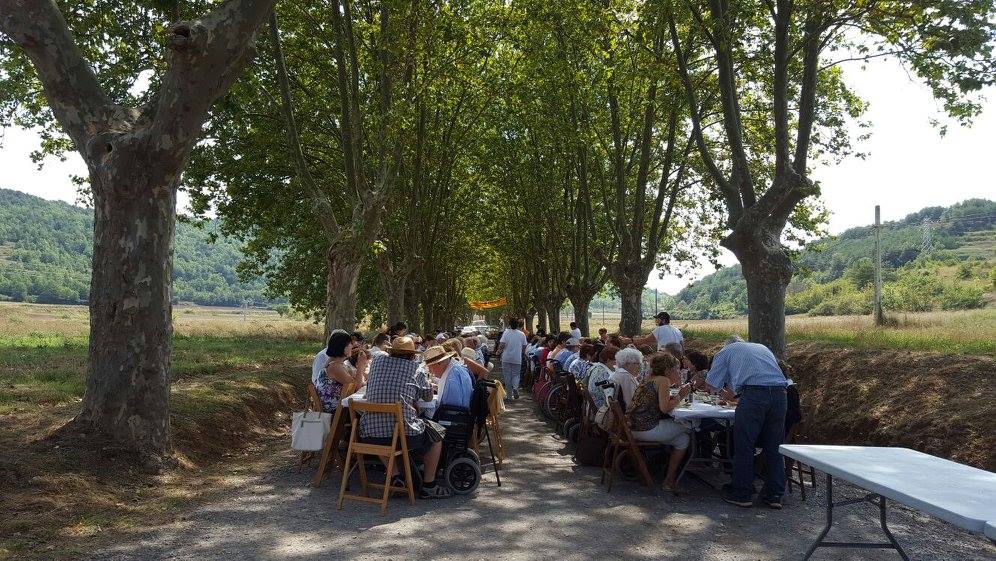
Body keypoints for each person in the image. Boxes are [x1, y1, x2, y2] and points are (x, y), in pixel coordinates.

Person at [359, 336, 451, 499]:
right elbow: (428, 398)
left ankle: (396, 477)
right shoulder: (416, 369)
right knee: (436, 435)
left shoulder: (377, 363)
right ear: (411, 355)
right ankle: (429, 484)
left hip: (369, 435)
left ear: (392, 352)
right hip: (402, 433)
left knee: (379, 428)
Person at [706, 336, 788, 509]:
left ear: (725, 345)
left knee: (745, 445)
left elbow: (711, 385)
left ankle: (742, 494)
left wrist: (714, 389)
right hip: (780, 393)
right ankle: (774, 495)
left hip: (754, 395)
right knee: (774, 446)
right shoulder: (761, 347)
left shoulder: (724, 352)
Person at [627, 353, 692, 492]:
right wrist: (682, 394)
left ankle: (670, 479)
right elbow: (665, 408)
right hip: (647, 429)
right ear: (668, 369)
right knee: (691, 426)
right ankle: (672, 478)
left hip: (632, 428)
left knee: (683, 439)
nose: (678, 371)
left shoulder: (648, 379)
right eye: (676, 368)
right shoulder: (663, 380)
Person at [311, 329, 366, 412]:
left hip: (340, 409)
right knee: (370, 412)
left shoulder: (338, 364)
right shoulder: (335, 367)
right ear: (342, 347)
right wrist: (361, 365)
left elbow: (358, 383)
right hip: (336, 412)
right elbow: (357, 387)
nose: (353, 346)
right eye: (350, 344)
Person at [496, 317, 528, 399]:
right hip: (517, 358)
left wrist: (499, 351)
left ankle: (509, 395)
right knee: (516, 375)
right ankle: (515, 387)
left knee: (507, 376)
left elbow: (502, 344)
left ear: (509, 324)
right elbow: (524, 346)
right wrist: (521, 352)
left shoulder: (506, 332)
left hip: (506, 358)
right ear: (517, 324)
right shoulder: (522, 334)